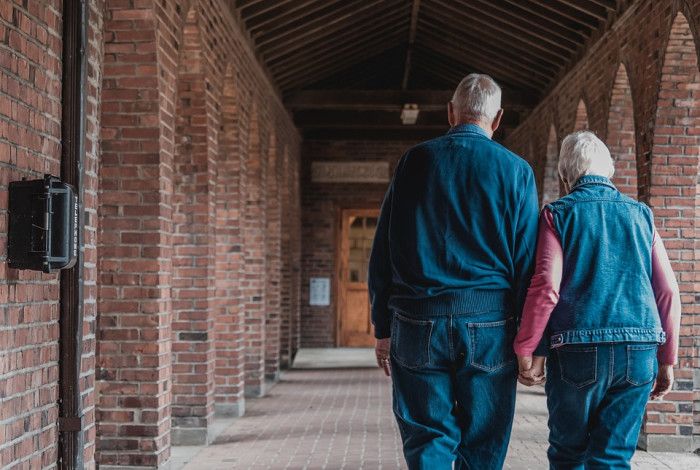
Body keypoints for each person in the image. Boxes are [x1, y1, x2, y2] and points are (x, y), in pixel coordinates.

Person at [368, 73, 540, 469]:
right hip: (490, 323)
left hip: (416, 320)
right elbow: (528, 264)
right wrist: (529, 340)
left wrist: (382, 328)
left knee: (427, 436)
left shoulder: (415, 161)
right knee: (483, 440)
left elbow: (383, 251)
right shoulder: (515, 171)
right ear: (497, 119)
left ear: (450, 112)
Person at [514, 131, 681, 469]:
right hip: (639, 350)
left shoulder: (557, 215)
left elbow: (547, 285)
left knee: (568, 453)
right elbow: (667, 290)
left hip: (577, 349)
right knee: (614, 456)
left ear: (564, 176)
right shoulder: (642, 215)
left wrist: (527, 347)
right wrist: (667, 358)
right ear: (610, 172)